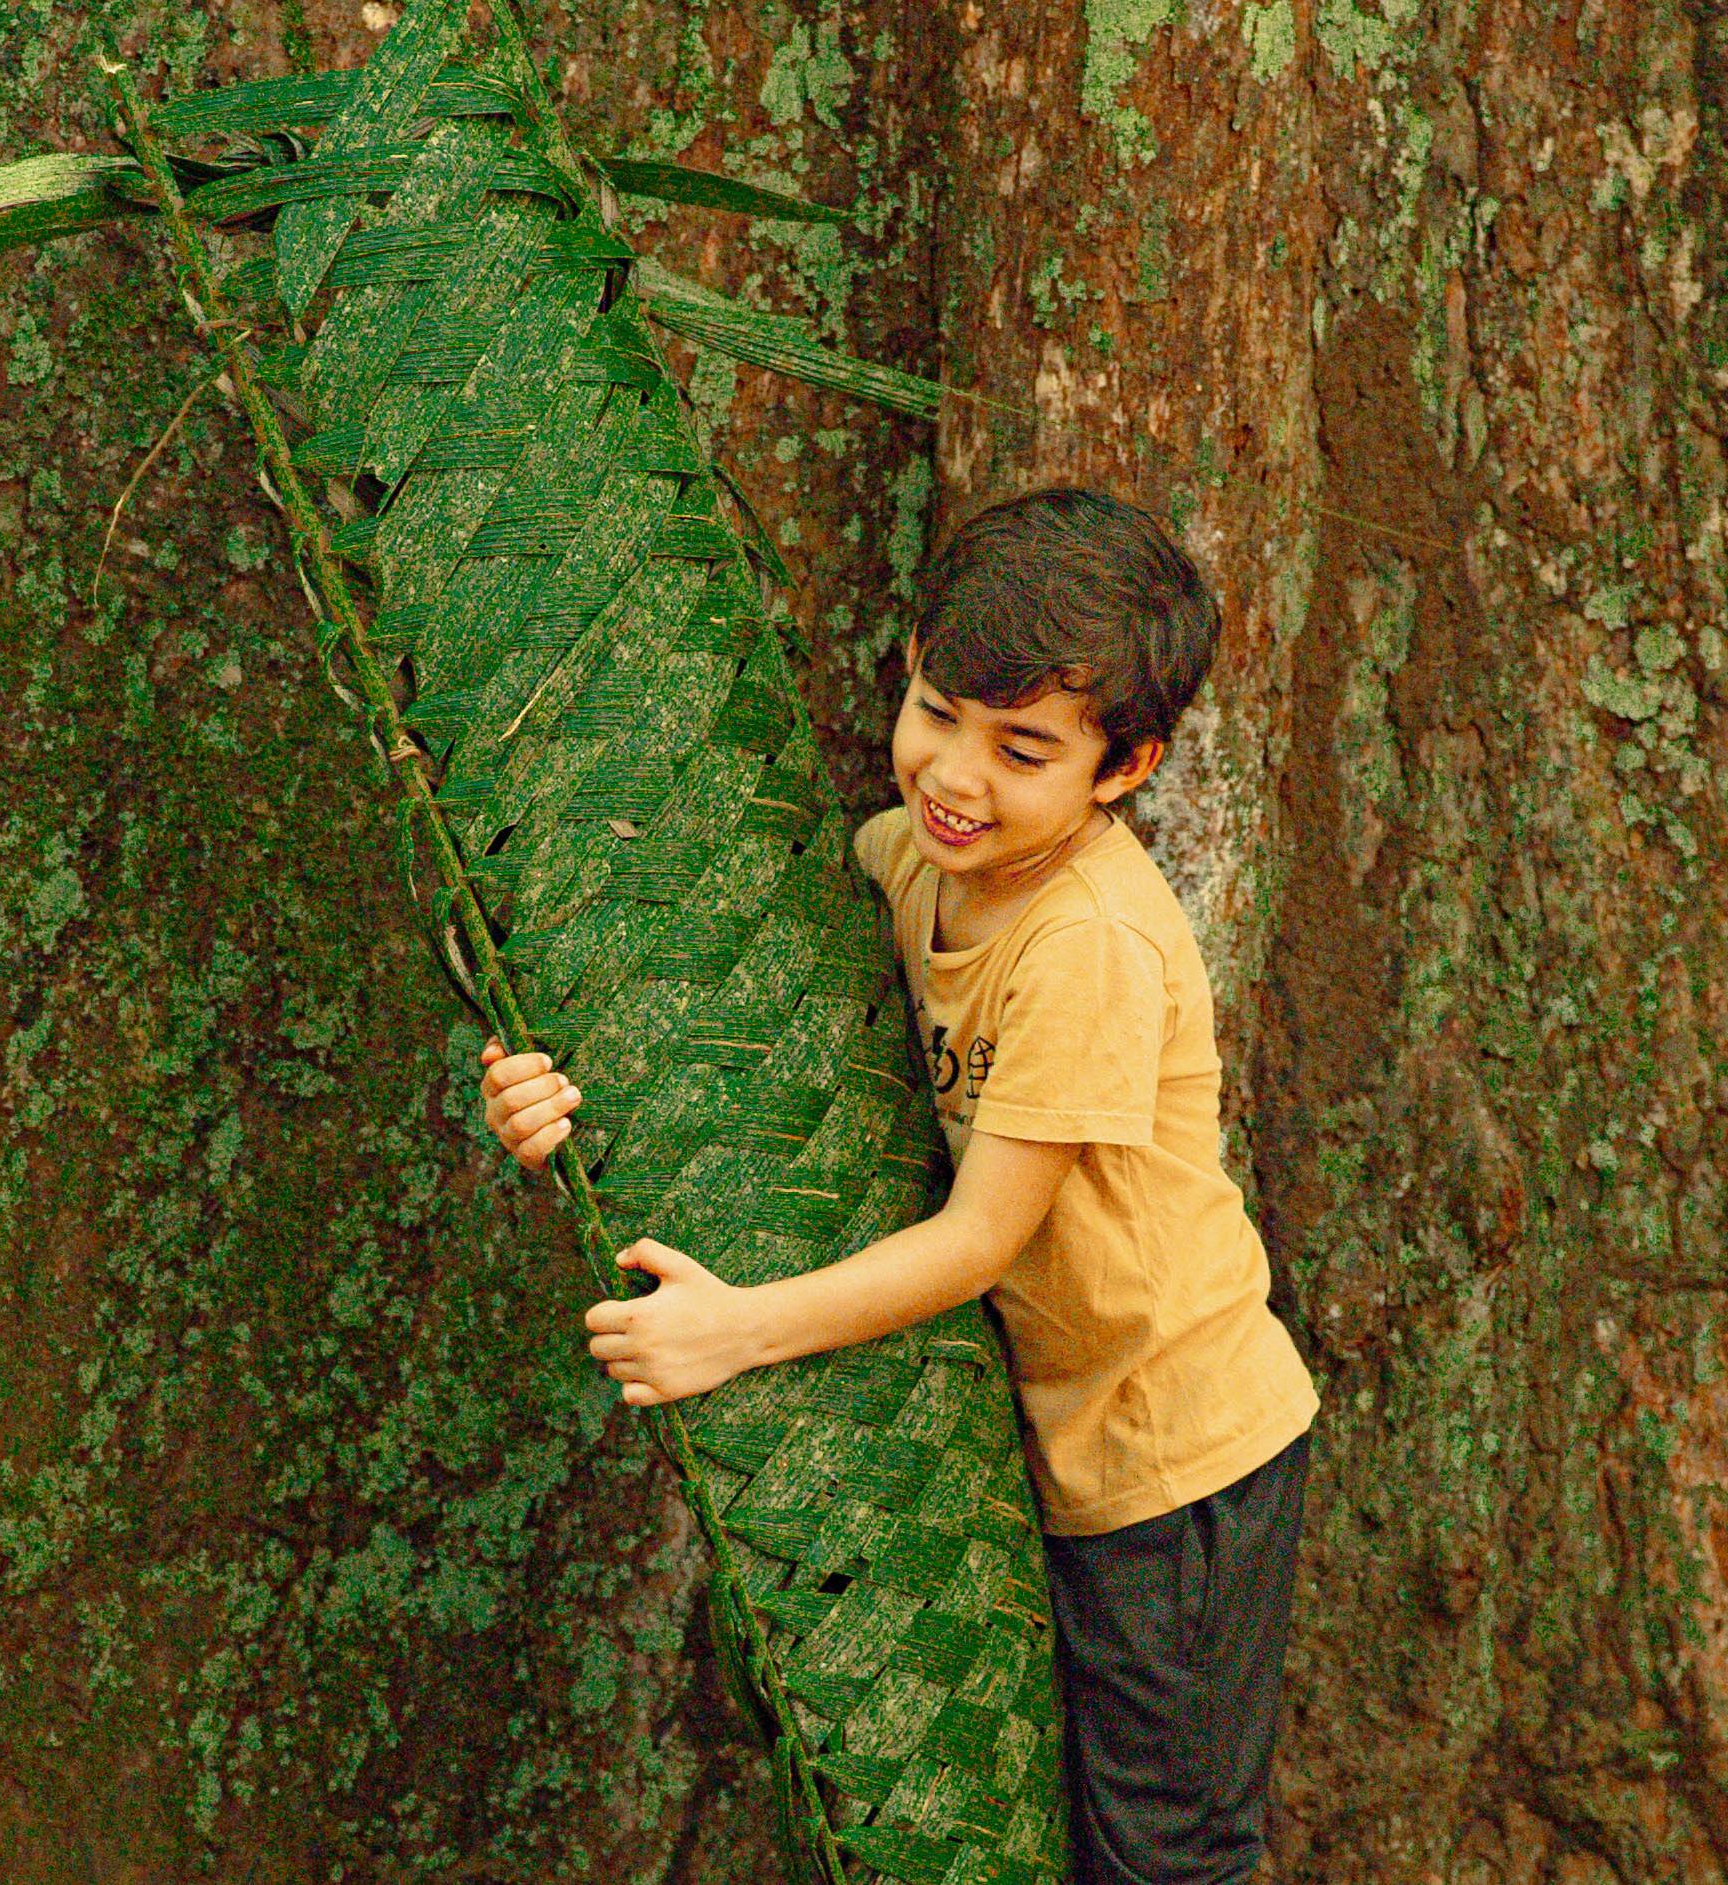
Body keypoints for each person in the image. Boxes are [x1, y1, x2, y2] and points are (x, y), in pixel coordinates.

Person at [475, 486, 1319, 1885]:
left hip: (1175, 1462)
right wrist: (551, 1086)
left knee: (1166, 1857)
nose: (956, 775)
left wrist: (735, 1327)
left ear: (1124, 769)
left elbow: (982, 1238)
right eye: (938, 710)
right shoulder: (914, 863)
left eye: (1024, 748)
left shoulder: (1087, 943)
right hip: (1050, 1444)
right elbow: (732, 991)